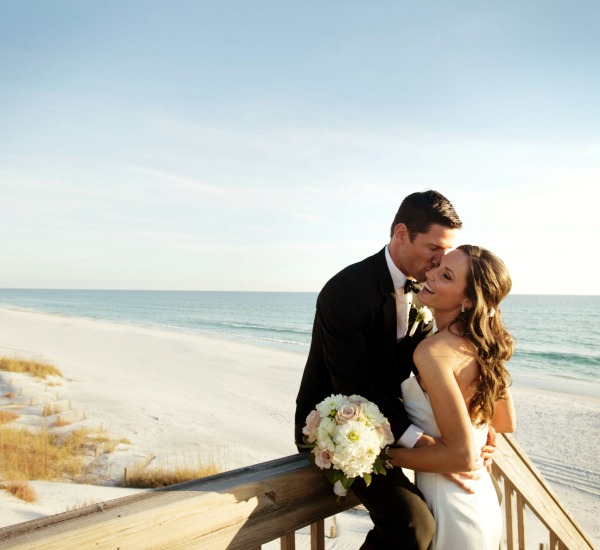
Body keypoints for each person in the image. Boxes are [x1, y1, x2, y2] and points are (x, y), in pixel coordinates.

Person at [295, 190, 464, 549]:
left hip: (392, 421)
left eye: (446, 251)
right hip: (337, 424)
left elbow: (430, 374)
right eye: (434, 247)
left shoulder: (427, 289)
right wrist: (423, 441)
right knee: (412, 526)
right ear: (401, 234)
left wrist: (477, 431)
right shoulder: (345, 290)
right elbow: (352, 384)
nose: (440, 260)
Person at [386, 244, 516, 550]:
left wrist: (383, 459)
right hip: (481, 500)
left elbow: (460, 456)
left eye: (445, 275)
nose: (429, 274)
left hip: (451, 509)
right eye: (437, 266)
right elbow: (504, 421)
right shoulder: (482, 343)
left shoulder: (433, 351)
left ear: (468, 300)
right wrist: (482, 435)